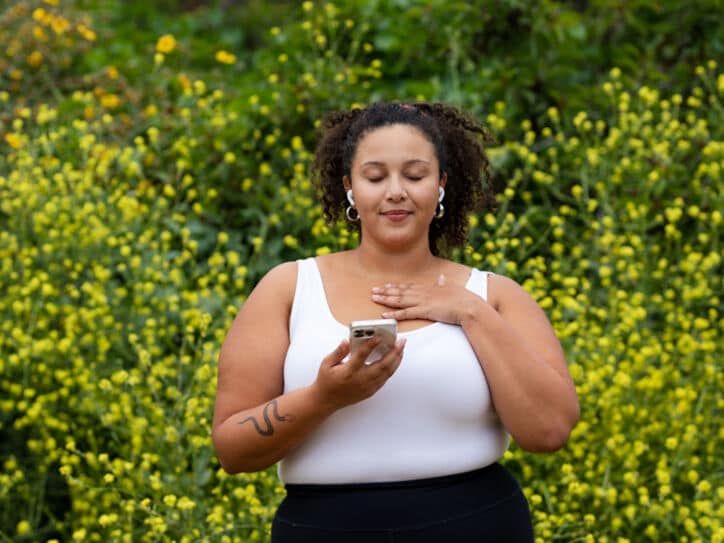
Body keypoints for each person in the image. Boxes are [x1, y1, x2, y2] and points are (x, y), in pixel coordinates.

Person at [212, 102, 580, 542]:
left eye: (415, 174)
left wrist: (469, 312)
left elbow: (550, 430)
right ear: (349, 188)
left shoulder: (493, 296)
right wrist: (325, 398)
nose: (395, 191)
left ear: (441, 183)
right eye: (374, 177)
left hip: (476, 525)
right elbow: (232, 450)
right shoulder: (289, 288)